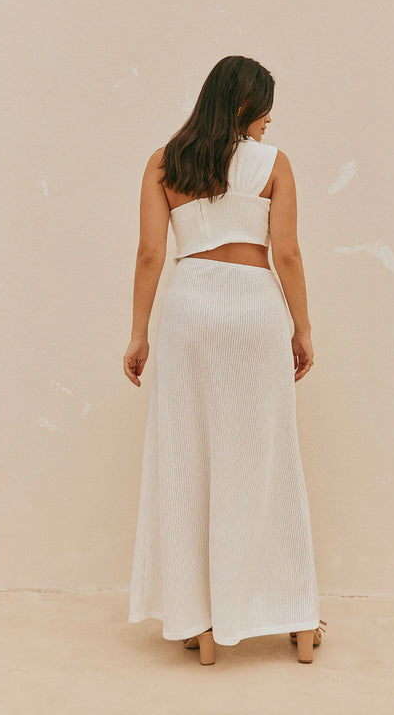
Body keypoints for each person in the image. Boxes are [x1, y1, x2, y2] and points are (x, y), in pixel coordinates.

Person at [124, 55, 326, 665]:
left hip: (189, 308)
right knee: (268, 457)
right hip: (254, 306)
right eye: (264, 108)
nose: (269, 121)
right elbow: (286, 254)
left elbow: (150, 255)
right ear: (244, 104)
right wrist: (303, 328)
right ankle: (295, 616)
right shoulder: (273, 163)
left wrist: (138, 335)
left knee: (189, 458)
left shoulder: (165, 161)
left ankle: (201, 622)